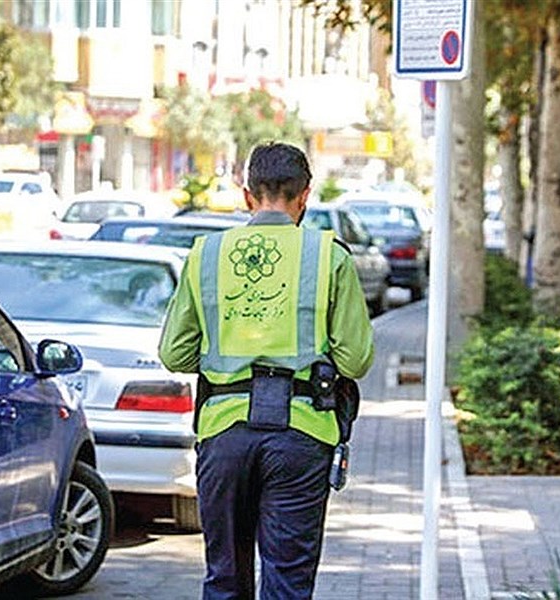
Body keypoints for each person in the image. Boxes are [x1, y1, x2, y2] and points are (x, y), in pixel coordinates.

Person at [158, 142, 374, 599]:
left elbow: (175, 354)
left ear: (247, 195)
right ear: (305, 196)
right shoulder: (328, 255)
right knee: (287, 581)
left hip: (224, 434)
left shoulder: (206, 254)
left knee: (225, 578)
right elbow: (355, 359)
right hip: (302, 435)